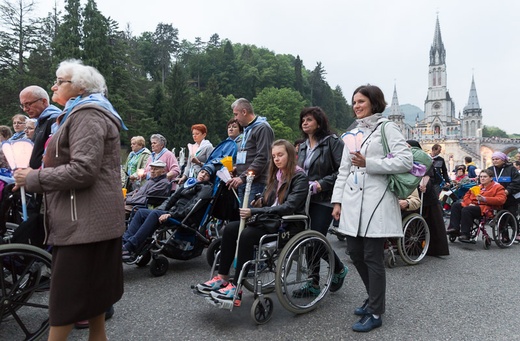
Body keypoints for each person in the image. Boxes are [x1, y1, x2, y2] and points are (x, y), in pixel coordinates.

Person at [13, 59, 125, 341]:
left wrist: (33, 179)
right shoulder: (80, 113)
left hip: (83, 224)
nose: (53, 85)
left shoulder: (87, 115)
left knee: (65, 302)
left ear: (78, 88)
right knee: (94, 298)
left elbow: (83, 170)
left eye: (59, 80)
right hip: (88, 220)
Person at [331, 85, 413, 332]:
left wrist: (370, 163)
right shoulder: (353, 132)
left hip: (378, 199)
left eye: (361, 101)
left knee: (372, 256)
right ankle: (372, 297)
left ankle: (376, 311)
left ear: (374, 102)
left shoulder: (387, 127)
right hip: (353, 201)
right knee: (355, 254)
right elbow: (344, 170)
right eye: (354, 102)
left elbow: (405, 160)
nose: (356, 106)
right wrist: (338, 201)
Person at [196, 139, 308, 305]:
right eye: (274, 156)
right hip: (269, 220)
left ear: (290, 155)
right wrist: (260, 201)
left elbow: (288, 207)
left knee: (247, 235)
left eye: (280, 155)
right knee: (230, 229)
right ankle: (222, 277)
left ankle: (237, 286)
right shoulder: (275, 175)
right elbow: (268, 199)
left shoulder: (299, 177)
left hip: (286, 224)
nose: (276, 159)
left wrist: (254, 211)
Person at [295, 106, 348, 296]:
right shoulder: (301, 146)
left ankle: (339, 268)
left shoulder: (332, 142)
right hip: (304, 199)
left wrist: (322, 184)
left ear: (319, 122)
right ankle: (313, 283)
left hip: (325, 198)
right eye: (303, 120)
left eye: (309, 119)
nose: (305, 123)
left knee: (315, 238)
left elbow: (343, 170)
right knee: (307, 240)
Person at [122, 166, 214, 259]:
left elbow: (192, 207)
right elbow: (171, 198)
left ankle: (130, 246)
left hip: (185, 218)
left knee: (154, 214)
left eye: (207, 175)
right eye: (202, 172)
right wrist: (160, 210)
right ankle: (124, 243)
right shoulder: (190, 183)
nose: (203, 175)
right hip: (173, 212)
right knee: (141, 212)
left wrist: (170, 214)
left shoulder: (206, 188)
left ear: (210, 178)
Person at [226, 98, 275, 206]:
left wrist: (242, 177)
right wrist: (237, 169)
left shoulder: (262, 128)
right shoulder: (247, 129)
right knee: (242, 218)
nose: (235, 118)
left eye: (236, 114)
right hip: (244, 180)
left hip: (256, 182)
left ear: (244, 112)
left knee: (250, 219)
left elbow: (263, 157)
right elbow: (247, 155)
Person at [407, 140, 450, 257]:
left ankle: (433, 247)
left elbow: (427, 173)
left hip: (425, 188)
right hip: (411, 187)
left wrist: (424, 185)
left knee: (431, 218)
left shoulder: (423, 158)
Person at [446, 169, 507, 242]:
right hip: (473, 205)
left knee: (467, 209)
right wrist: (469, 203)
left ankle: (465, 234)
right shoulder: (477, 187)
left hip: (486, 208)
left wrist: (485, 199)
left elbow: (501, 200)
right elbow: (466, 196)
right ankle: (454, 228)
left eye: (485, 177)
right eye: (481, 177)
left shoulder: (498, 187)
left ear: (491, 178)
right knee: (456, 205)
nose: (482, 178)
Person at [19, 85, 61, 169]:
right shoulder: (41, 121)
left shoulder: (55, 120)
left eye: (28, 104)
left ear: (44, 101)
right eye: (23, 105)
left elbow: (56, 156)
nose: (25, 109)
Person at [487, 151, 520, 241]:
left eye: (497, 159)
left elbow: (517, 182)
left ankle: (517, 232)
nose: (494, 161)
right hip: (496, 197)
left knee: (510, 215)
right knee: (499, 216)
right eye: (493, 159)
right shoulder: (490, 170)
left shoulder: (512, 169)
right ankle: (504, 235)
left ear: (503, 160)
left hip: (510, 197)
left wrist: (508, 191)